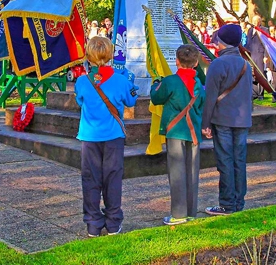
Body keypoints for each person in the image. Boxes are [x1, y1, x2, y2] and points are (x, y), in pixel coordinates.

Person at [74, 36, 137, 235]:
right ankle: (113, 221)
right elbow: (131, 101)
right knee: (113, 178)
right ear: (110, 56)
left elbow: (80, 101)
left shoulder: (82, 81)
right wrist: (131, 84)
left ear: (88, 56)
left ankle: (93, 223)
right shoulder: (120, 80)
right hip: (113, 136)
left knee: (90, 179)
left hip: (90, 135)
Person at [201, 24, 253, 216]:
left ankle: (227, 204)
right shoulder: (246, 64)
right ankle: (239, 201)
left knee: (225, 161)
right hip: (242, 119)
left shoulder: (218, 64)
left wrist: (205, 123)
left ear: (221, 42)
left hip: (222, 118)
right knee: (239, 161)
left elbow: (210, 96)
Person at [151, 44, 205, 225]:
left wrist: (156, 84)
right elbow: (201, 104)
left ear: (176, 61)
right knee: (192, 172)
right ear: (196, 63)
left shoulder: (170, 81)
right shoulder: (198, 84)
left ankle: (179, 214)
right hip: (193, 132)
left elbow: (156, 98)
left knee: (177, 173)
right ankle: (190, 212)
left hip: (175, 131)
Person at [245, 15, 268, 99]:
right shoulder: (250, 30)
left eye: (256, 21)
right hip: (251, 54)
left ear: (259, 22)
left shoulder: (265, 30)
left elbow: (267, 44)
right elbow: (248, 42)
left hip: (259, 54)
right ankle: (254, 93)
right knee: (252, 73)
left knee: (260, 73)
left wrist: (265, 55)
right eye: (253, 21)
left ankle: (260, 94)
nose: (254, 23)